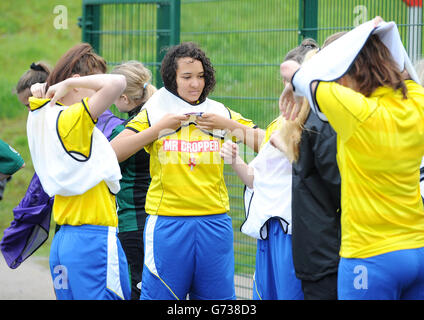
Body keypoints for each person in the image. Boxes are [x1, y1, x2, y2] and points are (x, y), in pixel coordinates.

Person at [280, 17, 424, 299]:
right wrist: (381, 35)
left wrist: (293, 85)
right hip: (417, 250)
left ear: (350, 71)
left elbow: (291, 69)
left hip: (370, 258)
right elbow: (405, 66)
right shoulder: (418, 101)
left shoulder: (355, 111)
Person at [111, 42, 263, 300]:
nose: (195, 84)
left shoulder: (218, 112)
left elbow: (267, 144)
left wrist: (227, 125)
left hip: (214, 223)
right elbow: (113, 152)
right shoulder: (156, 112)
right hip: (168, 224)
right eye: (187, 77)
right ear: (172, 78)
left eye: (201, 76)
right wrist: (157, 130)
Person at [28, 43, 130, 300]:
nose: (100, 94)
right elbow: (118, 83)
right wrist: (71, 86)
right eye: (93, 83)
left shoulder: (42, 115)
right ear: (75, 82)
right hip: (91, 238)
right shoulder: (74, 119)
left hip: (64, 239)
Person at [278, 40, 342, 300]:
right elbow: (344, 190)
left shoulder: (307, 121)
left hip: (316, 252)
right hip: (331, 255)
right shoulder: (323, 123)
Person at [108, 60, 157, 300]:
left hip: (132, 222)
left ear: (125, 99)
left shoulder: (124, 133)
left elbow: (105, 169)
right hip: (162, 220)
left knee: (134, 287)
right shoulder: (162, 121)